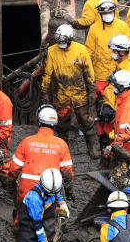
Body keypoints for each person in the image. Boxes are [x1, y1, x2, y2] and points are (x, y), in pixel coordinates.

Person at [40, 24, 99, 158]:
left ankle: (92, 149)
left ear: (70, 39)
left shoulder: (81, 50)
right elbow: (48, 74)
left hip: (80, 94)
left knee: (86, 121)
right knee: (62, 126)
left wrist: (91, 91)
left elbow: (89, 72)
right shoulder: (52, 51)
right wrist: (44, 91)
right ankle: (63, 153)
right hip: (61, 95)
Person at [10, 105, 74, 203]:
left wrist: (11, 187)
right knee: (51, 216)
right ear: (55, 124)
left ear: (39, 122)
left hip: (27, 190)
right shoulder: (61, 145)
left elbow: (14, 169)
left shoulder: (27, 142)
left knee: (23, 215)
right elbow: (67, 173)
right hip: (50, 192)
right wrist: (69, 192)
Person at [85, 0, 130, 96]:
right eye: (105, 13)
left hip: (118, 75)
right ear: (100, 14)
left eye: (110, 12)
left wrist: (128, 71)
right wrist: (88, 76)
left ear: (114, 11)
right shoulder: (94, 29)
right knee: (100, 103)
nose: (108, 15)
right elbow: (89, 53)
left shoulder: (123, 27)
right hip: (100, 76)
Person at [101, 35, 130, 112]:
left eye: (114, 51)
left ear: (122, 52)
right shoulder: (119, 64)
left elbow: (128, 97)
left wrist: (114, 112)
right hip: (111, 104)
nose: (112, 53)